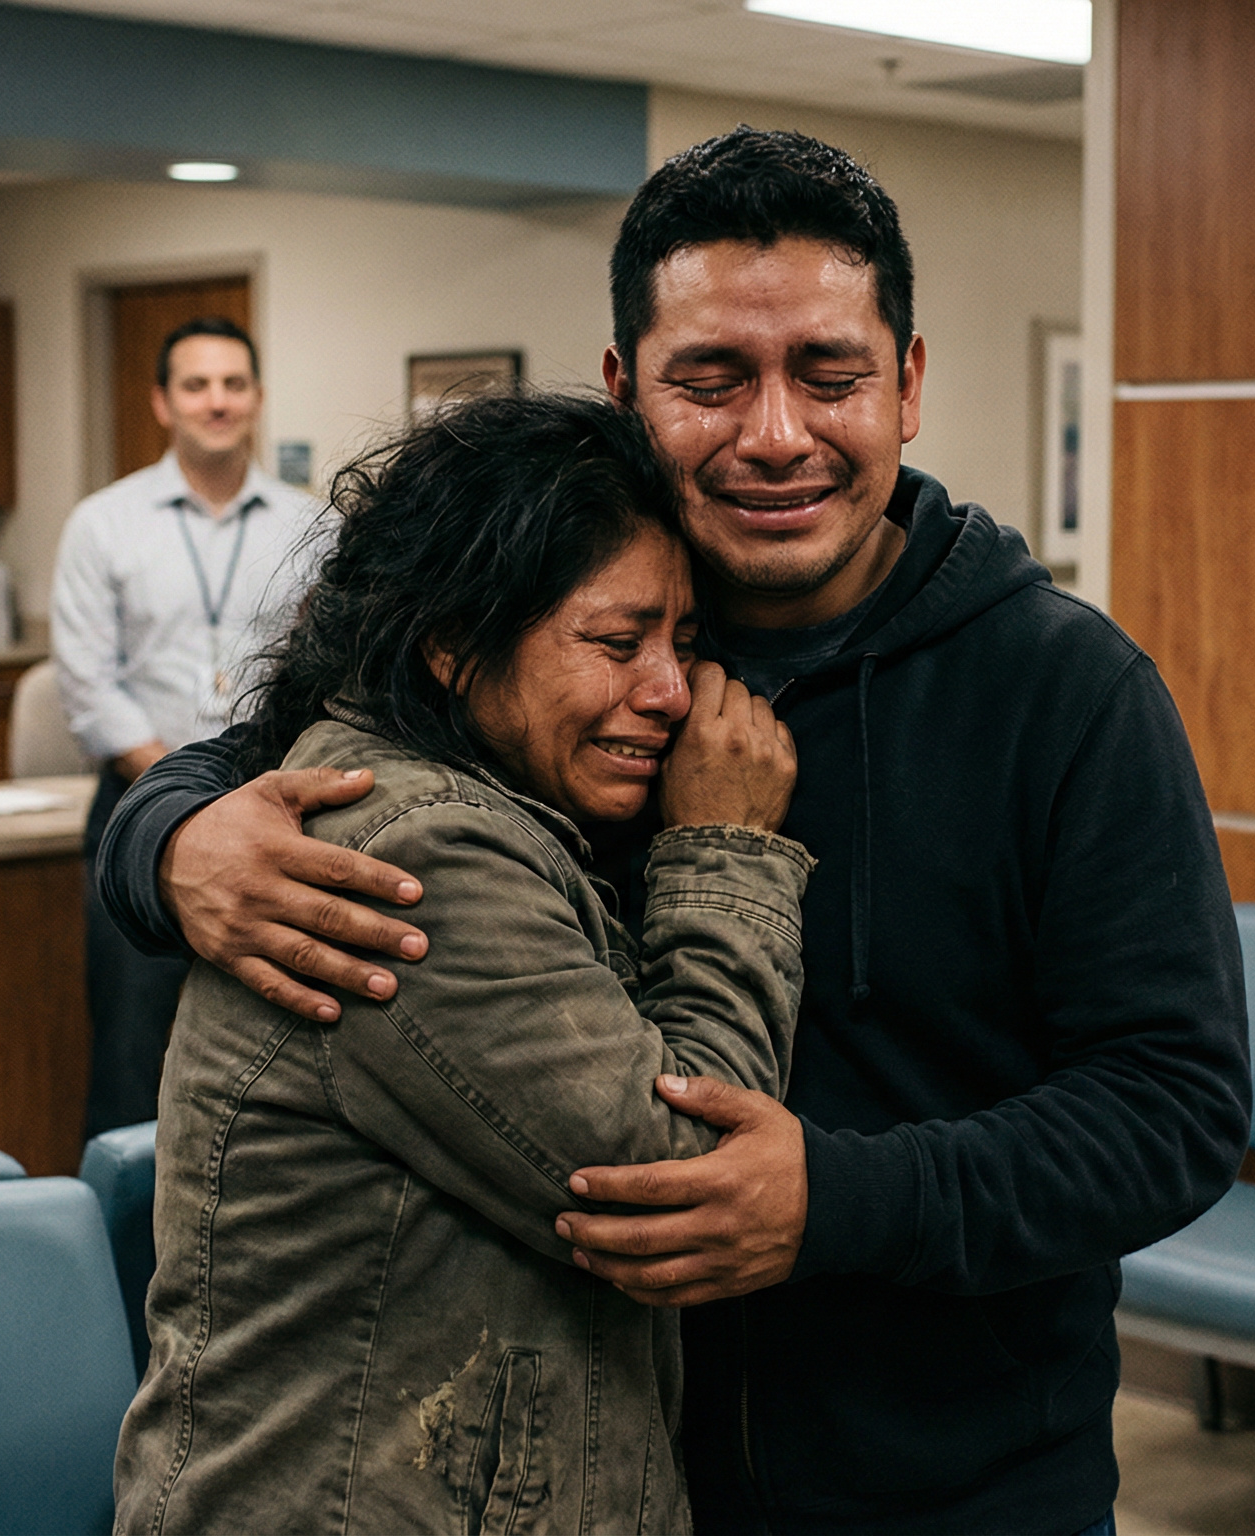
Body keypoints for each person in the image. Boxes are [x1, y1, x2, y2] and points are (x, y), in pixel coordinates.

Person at [97, 128, 1251, 1534]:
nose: (776, 435)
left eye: (830, 375)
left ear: (910, 384)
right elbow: (317, 727)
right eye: (710, 381)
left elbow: (1172, 1113)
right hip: (607, 1477)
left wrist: (839, 1197)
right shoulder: (540, 618)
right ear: (623, 389)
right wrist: (168, 835)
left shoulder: (1066, 691)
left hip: (959, 1486)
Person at [111, 389, 810, 1533]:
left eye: (683, 644)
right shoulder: (413, 846)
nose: (671, 695)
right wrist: (724, 850)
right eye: (614, 640)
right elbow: (685, 1170)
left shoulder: (472, 788)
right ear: (450, 641)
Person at [50, 315, 329, 1140]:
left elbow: (326, 667)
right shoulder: (104, 523)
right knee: (134, 1060)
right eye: (197, 385)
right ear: (162, 403)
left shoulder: (308, 525)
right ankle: (126, 1261)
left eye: (233, 384)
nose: (218, 401)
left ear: (258, 398)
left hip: (277, 814)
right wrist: (185, 796)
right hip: (139, 818)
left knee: (270, 1057)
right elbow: (88, 685)